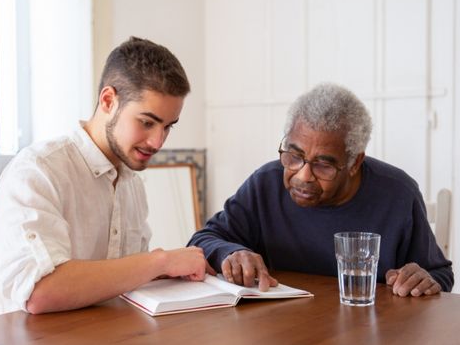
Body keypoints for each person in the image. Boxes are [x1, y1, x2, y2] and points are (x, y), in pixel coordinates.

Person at [0, 36, 214, 315]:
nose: (158, 142)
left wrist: (165, 273)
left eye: (168, 127)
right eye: (146, 122)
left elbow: (119, 277)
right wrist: (160, 262)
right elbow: (40, 292)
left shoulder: (131, 184)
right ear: (108, 100)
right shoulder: (37, 171)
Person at [188, 83, 454, 296]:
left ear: (354, 162)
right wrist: (231, 252)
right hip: (283, 338)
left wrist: (421, 279)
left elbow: (439, 274)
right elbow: (203, 239)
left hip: (370, 339)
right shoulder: (266, 184)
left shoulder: (398, 194)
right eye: (294, 156)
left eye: (323, 165)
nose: (303, 176)